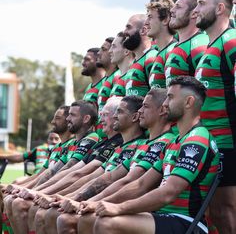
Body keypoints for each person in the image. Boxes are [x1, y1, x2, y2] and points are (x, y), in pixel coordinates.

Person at [81, 76, 219, 234]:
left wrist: (119, 208)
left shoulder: (197, 139)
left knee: (106, 223)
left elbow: (169, 193)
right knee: (88, 217)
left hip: (188, 221)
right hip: (163, 216)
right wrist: (96, 203)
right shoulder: (175, 141)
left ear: (188, 102)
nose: (165, 104)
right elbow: (141, 184)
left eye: (170, 97)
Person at [33, 96, 146, 234]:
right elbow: (94, 175)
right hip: (103, 201)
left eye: (118, 112)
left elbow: (122, 181)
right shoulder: (119, 147)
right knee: (38, 208)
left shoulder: (139, 145)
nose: (114, 116)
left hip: (128, 206)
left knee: (56, 216)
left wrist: (75, 199)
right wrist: (61, 196)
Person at [75, 88, 176, 234]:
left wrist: (93, 202)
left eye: (145, 107)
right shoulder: (142, 145)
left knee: (84, 220)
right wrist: (77, 198)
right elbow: (108, 177)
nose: (140, 111)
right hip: (140, 209)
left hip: (159, 212)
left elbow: (134, 183)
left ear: (162, 110)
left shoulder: (166, 142)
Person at [5, 100, 101, 234]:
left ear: (86, 119)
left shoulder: (91, 138)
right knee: (12, 198)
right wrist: (28, 189)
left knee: (20, 203)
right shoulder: (70, 144)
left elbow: (71, 172)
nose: (68, 118)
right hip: (58, 190)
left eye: (72, 115)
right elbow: (51, 171)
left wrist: (37, 191)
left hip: (71, 193)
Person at [194, 0, 236, 234]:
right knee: (214, 213)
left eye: (201, 3)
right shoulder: (210, 46)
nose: (196, 9)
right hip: (212, 142)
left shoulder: (231, 41)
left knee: (225, 210)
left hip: (228, 142)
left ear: (220, 8)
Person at [165, 0, 209, 86]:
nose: (172, 10)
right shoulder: (174, 47)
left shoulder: (200, 45)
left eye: (178, 7)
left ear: (194, 13)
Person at [145, 0, 177, 89]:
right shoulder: (160, 52)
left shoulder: (172, 51)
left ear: (165, 19)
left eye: (150, 17)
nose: (146, 22)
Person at [123, 14, 158, 96]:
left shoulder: (152, 58)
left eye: (129, 27)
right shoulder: (134, 63)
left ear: (143, 30)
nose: (124, 32)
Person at [109, 32, 134, 97]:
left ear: (126, 51)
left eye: (114, 46)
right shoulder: (117, 78)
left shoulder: (133, 76)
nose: (110, 51)